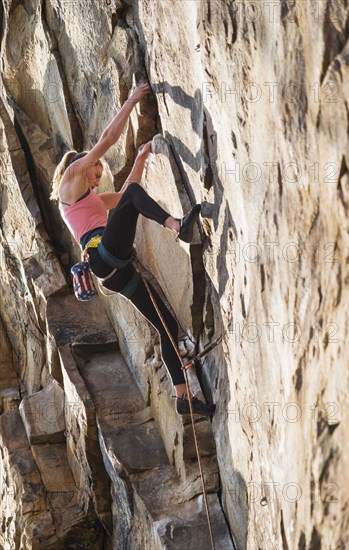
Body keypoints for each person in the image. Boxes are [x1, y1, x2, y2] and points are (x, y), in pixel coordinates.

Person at [50, 83, 216, 417]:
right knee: (130, 197)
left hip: (113, 273)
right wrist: (130, 101)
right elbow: (108, 139)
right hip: (102, 257)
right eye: (96, 173)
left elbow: (128, 192)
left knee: (165, 325)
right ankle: (176, 227)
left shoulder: (91, 199)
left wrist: (141, 158)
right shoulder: (71, 177)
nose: (97, 180)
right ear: (84, 165)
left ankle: (183, 397)